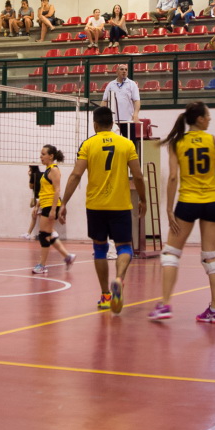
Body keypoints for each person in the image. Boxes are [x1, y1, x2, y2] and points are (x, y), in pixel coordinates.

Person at [149, 103, 215, 324]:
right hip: (211, 203)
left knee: (171, 254)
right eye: (207, 116)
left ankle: (165, 305)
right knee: (211, 257)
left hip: (188, 203)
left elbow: (173, 177)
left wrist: (169, 209)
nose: (209, 119)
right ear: (199, 119)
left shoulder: (177, 142)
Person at [58, 106, 148, 314]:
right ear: (112, 123)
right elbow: (138, 175)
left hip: (96, 206)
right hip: (120, 205)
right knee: (124, 247)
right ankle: (119, 279)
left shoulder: (88, 144)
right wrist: (143, 199)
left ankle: (106, 295)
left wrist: (64, 203)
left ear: (95, 125)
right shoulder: (126, 144)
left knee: (100, 249)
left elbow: (76, 175)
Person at [29, 145, 75, 274]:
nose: (41, 157)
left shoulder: (54, 170)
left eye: (43, 154)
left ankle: (42, 265)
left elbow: (57, 190)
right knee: (48, 234)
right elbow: (45, 191)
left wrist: (53, 210)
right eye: (41, 154)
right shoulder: (47, 170)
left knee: (44, 234)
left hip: (51, 205)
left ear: (51, 156)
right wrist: (37, 206)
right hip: (46, 204)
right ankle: (67, 256)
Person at [101, 63, 141, 139]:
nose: (124, 71)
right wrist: (102, 115)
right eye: (122, 69)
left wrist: (135, 114)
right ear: (117, 72)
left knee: (130, 141)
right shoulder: (111, 84)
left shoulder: (132, 84)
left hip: (128, 120)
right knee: (114, 142)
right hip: (113, 120)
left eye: (126, 70)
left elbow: (137, 101)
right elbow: (104, 101)